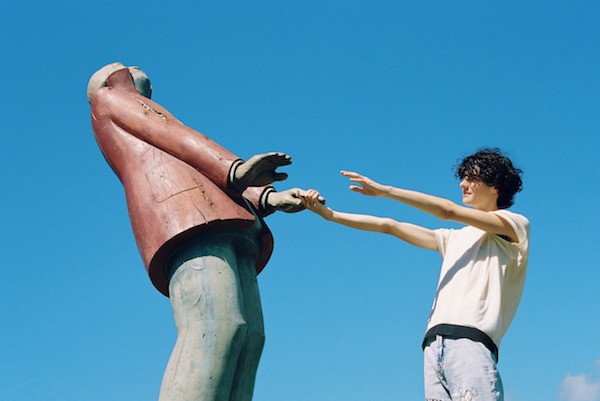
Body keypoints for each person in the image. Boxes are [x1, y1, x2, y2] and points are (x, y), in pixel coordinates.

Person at [87, 62, 314, 401]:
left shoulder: (153, 113)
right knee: (214, 326)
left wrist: (267, 197)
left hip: (228, 218)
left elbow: (196, 160)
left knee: (249, 336)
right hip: (184, 215)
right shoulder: (110, 99)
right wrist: (235, 170)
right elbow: (171, 135)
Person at [302, 149, 529, 401]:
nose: (462, 184)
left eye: (471, 178)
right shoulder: (453, 238)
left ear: (495, 185)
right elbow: (390, 226)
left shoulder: (514, 225)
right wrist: (330, 215)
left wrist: (386, 191)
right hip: (433, 346)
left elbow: (448, 211)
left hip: (470, 342)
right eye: (462, 178)